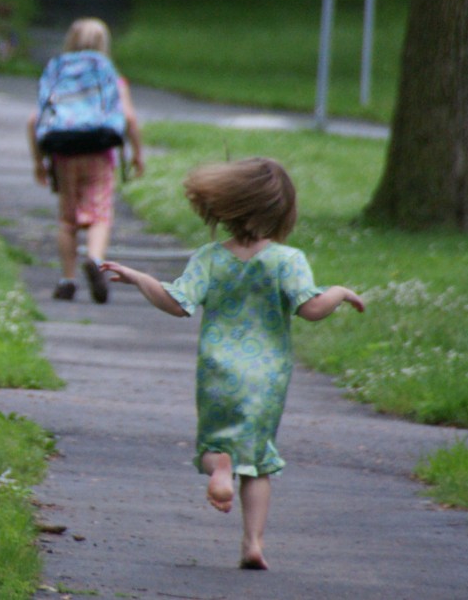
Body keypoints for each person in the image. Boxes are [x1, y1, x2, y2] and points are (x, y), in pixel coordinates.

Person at [98, 158, 365, 570]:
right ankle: (253, 543)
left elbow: (177, 303)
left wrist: (138, 277)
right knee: (258, 460)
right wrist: (340, 292)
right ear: (282, 212)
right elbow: (311, 309)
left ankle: (220, 466)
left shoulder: (209, 258)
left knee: (214, 445)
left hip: (218, 370)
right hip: (267, 375)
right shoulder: (287, 260)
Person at [27, 17, 144, 304]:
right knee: (100, 215)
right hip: (98, 153)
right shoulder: (113, 79)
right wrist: (137, 154)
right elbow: (128, 118)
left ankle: (67, 281)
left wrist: (38, 161)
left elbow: (34, 121)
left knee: (68, 220)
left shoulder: (59, 76)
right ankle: (94, 259)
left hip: (63, 153)